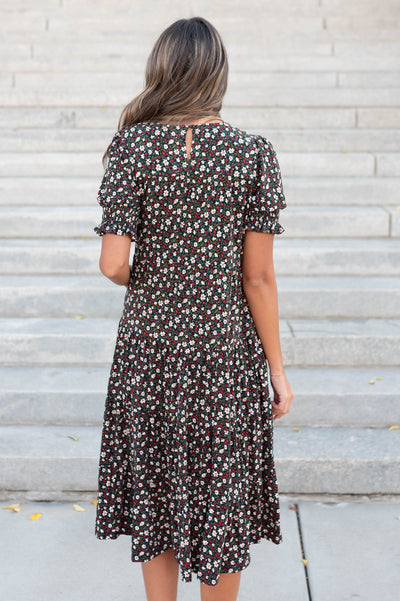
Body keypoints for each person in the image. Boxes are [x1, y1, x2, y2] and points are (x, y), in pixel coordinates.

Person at [93, 16, 294, 601]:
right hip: (224, 355)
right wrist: (277, 370)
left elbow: (111, 264)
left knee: (155, 493)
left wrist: (159, 282)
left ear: (162, 69)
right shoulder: (252, 153)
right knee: (221, 500)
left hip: (150, 351)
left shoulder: (132, 147)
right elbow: (257, 277)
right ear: (217, 74)